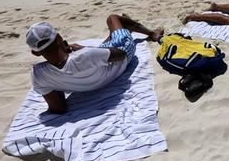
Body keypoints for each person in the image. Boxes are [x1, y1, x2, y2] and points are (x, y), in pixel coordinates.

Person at [26, 14, 163, 114]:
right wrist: (87, 50)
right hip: (121, 59)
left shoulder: (38, 75)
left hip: (97, 66)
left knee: (107, 42)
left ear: (36, 53)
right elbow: (119, 55)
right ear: (60, 37)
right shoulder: (85, 55)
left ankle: (121, 29)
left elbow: (59, 107)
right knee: (112, 18)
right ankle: (152, 33)